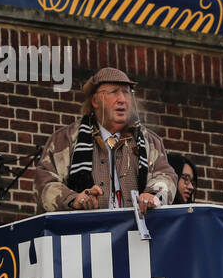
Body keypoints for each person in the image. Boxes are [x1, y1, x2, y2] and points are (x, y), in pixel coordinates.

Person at [33, 68, 177, 213]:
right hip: (84, 232)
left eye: (126, 92)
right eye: (114, 92)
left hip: (135, 233)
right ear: (95, 100)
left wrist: (153, 194)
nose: (122, 99)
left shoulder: (149, 141)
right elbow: (44, 183)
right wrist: (73, 199)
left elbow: (166, 176)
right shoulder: (65, 139)